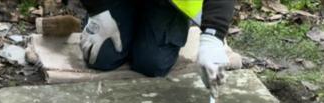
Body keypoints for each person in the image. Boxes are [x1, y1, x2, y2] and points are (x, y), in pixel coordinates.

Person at [79, 0, 235, 82]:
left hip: (165, 4)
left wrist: (212, 37)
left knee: (152, 63)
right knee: (102, 57)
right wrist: (98, 9)